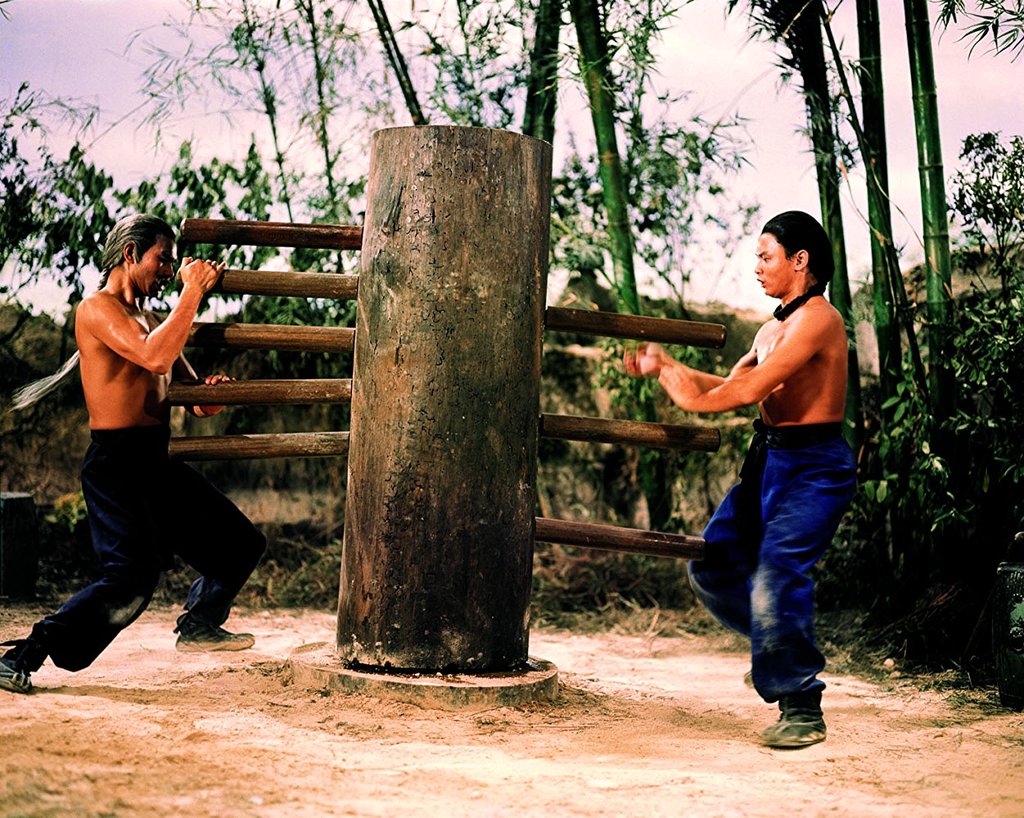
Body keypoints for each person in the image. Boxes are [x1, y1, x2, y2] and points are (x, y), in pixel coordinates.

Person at [1, 214, 266, 695]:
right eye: (162, 259)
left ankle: (200, 623)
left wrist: (213, 393)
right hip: (116, 466)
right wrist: (193, 292)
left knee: (240, 544)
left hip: (155, 461)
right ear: (130, 254)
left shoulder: (153, 320)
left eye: (171, 262)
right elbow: (154, 356)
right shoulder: (95, 309)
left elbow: (194, 396)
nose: (168, 270)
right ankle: (23, 655)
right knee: (131, 583)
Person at [624, 210, 856, 748]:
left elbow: (747, 394)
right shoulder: (772, 328)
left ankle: (801, 704)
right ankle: (774, 649)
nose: (756, 266)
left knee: (776, 574)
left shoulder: (819, 320)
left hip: (815, 468)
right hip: (770, 462)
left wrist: (689, 397)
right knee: (710, 566)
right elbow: (726, 382)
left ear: (800, 261)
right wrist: (667, 368)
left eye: (765, 255)